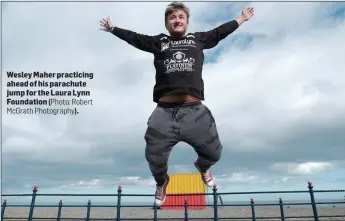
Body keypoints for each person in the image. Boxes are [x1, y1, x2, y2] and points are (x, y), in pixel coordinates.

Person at [100, 2, 254, 206]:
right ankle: (162, 182)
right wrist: (113, 29)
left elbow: (219, 32)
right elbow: (135, 38)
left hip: (195, 111)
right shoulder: (159, 42)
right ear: (167, 23)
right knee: (154, 158)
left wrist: (241, 19)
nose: (177, 20)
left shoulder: (198, 39)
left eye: (181, 17)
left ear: (187, 22)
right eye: (172, 18)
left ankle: (203, 166)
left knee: (214, 153)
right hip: (164, 112)